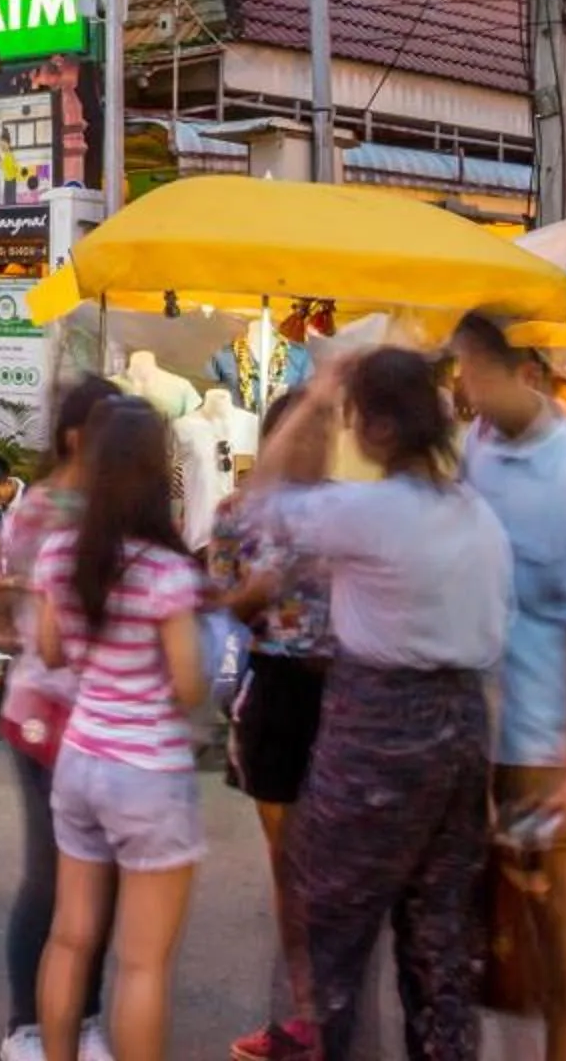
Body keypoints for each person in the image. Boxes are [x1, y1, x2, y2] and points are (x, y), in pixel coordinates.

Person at [246, 350, 513, 1061]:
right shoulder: (477, 517)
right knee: (441, 947)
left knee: (330, 934)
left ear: (383, 428)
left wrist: (312, 397)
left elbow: (263, 494)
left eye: (355, 417)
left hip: (378, 733)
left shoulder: (369, 513)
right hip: (462, 733)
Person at [449, 313, 566, 1061]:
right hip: (470, 723)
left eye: (473, 372)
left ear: (523, 374)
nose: (462, 386)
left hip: (541, 736)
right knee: (479, 907)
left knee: (558, 910)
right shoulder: (475, 450)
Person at [34, 396, 208, 1061]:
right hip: (150, 775)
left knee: (70, 939)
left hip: (80, 758)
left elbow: (51, 652)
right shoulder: (166, 571)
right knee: (141, 965)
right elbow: (189, 683)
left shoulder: (60, 554)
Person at [0, 375, 119, 1061]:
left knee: (101, 876)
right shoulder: (40, 509)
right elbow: (1, 606)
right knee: (51, 874)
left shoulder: (119, 508)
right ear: (75, 435)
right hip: (44, 714)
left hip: (106, 716)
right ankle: (26, 1025)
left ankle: (85, 1016)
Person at [211, 386, 333, 1061]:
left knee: (347, 866)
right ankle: (302, 1016)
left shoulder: (355, 510)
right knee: (289, 870)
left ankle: (335, 1014)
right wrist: (250, 600)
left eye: (326, 431)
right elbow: (221, 600)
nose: (315, 445)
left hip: (349, 693)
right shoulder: (237, 512)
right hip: (279, 691)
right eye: (303, 432)